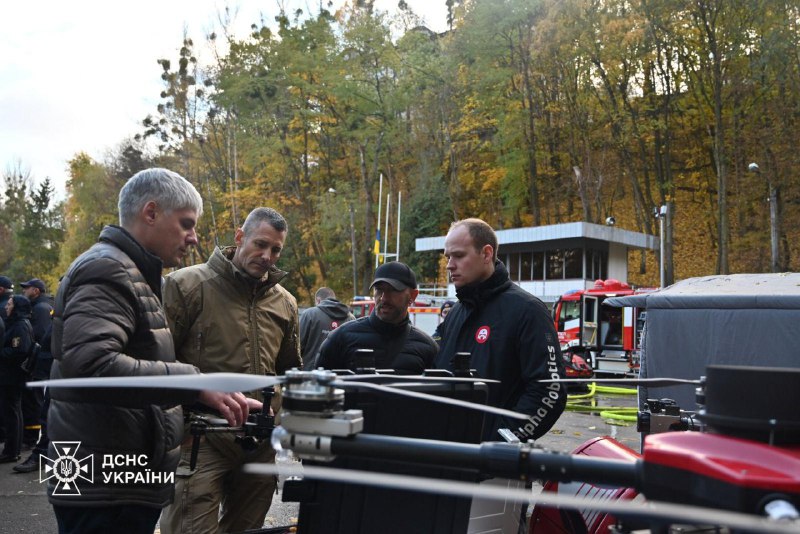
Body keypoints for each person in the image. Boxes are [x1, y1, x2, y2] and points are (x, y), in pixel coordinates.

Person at [47, 168, 251, 534]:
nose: (194, 237)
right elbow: (92, 367)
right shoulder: (107, 269)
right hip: (103, 484)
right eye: (187, 224)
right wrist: (194, 382)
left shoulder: (132, 272)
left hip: (116, 477)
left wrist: (206, 398)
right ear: (151, 213)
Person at [160, 207, 302, 534]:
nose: (267, 256)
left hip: (259, 442)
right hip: (199, 437)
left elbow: (289, 371)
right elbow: (159, 362)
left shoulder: (285, 303)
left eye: (276, 249)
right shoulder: (186, 286)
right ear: (240, 237)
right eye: (260, 244)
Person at [434, 218, 567, 442]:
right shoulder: (456, 312)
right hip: (447, 452)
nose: (449, 265)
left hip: (493, 464)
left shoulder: (527, 310)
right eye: (448, 257)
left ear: (486, 254)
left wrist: (502, 441)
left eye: (458, 255)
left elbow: (549, 391)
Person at [317, 261, 437, 374]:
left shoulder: (427, 348)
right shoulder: (340, 338)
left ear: (413, 295)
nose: (383, 298)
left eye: (393, 290)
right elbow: (320, 388)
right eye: (379, 290)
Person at [19, 278, 53, 447]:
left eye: (27, 288)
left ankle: (31, 437)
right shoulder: (41, 306)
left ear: (36, 291)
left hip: (39, 361)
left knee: (34, 399)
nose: (24, 291)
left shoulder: (40, 308)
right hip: (39, 360)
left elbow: (39, 335)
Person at [0, 295, 34, 463]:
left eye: (10, 304)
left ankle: (11, 451)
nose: (7, 307)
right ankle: (13, 449)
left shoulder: (20, 325)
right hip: (11, 375)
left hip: (11, 376)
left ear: (17, 307)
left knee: (11, 413)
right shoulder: (17, 323)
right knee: (14, 412)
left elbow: (20, 351)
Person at [300, 287, 355, 370]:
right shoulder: (351, 318)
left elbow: (298, 346)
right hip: (341, 376)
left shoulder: (309, 315)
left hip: (312, 375)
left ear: (318, 300)